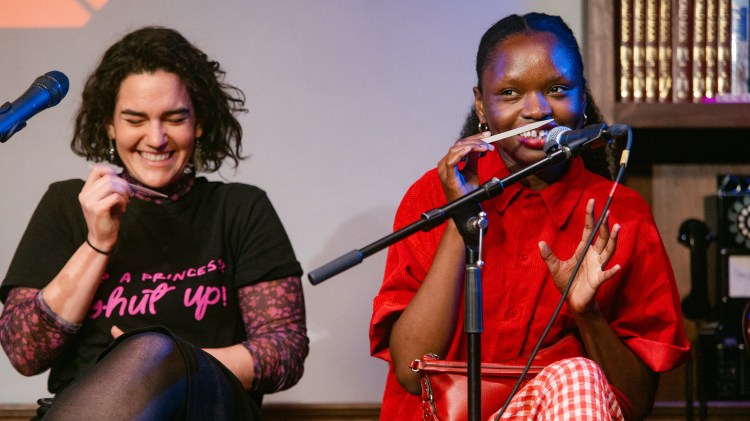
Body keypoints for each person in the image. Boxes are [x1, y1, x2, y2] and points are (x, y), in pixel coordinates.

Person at [369, 12, 690, 421]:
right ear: (481, 104)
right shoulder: (430, 196)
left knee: (577, 375)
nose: (537, 110)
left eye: (557, 89)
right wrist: (458, 220)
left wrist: (586, 314)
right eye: (510, 93)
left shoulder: (622, 213)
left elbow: (637, 403)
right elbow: (412, 373)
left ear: (582, 98)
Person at [0, 26, 308, 420]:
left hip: (207, 410)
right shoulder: (66, 203)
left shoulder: (240, 208)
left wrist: (169, 364)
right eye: (135, 119)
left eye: (174, 118)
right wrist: (97, 243)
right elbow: (24, 351)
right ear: (110, 125)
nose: (156, 137)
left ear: (199, 123)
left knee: (151, 351)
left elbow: (285, 351)